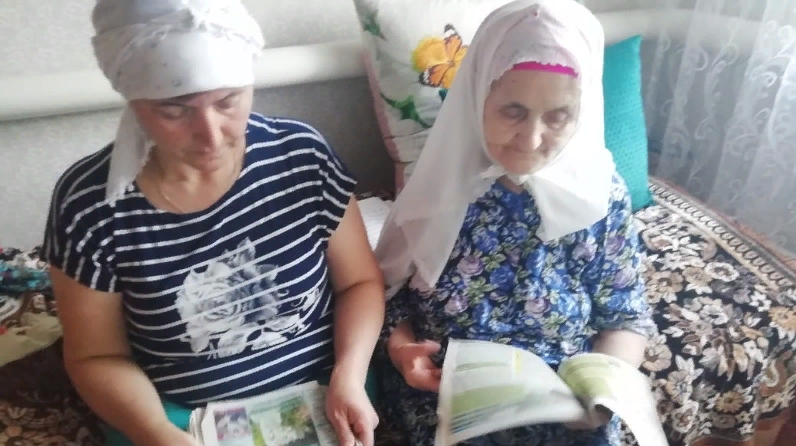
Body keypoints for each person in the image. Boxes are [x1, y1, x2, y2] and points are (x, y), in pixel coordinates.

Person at [40, 1, 384, 446]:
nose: (210, 134)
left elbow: (359, 283)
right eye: (174, 110)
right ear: (133, 101)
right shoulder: (89, 204)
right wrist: (159, 434)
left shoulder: (301, 156)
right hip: (180, 417)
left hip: (329, 389)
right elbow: (97, 355)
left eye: (227, 102)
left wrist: (349, 375)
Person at [374, 0, 657, 445]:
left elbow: (625, 316)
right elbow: (387, 294)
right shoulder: (439, 187)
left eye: (558, 115)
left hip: (565, 407)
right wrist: (401, 351)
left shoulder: (601, 196)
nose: (532, 138)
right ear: (478, 98)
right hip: (449, 399)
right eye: (513, 111)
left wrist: (602, 399)